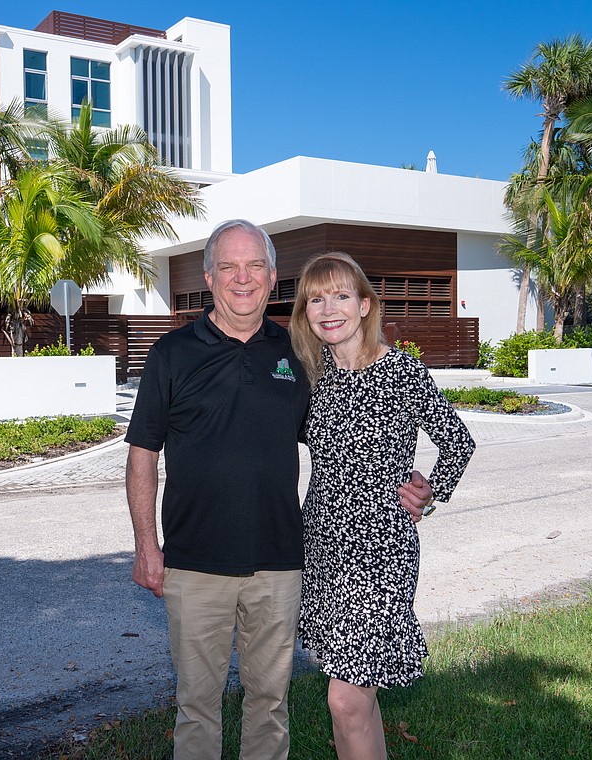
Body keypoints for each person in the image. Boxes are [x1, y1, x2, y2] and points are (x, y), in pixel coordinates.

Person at [125, 221, 435, 760]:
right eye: (228, 266)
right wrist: (147, 548)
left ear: (272, 277)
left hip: (280, 563)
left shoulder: (298, 353)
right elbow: (142, 455)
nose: (241, 278)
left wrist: (408, 479)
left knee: (270, 703)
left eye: (253, 267)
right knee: (197, 705)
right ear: (209, 276)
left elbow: (349, 433)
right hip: (195, 563)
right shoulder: (171, 353)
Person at [288, 252, 476, 760]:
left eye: (341, 295)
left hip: (381, 550)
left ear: (366, 305)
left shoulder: (402, 371)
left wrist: (428, 493)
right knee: (358, 696)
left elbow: (458, 442)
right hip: (323, 546)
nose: (329, 308)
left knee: (346, 699)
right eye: (316, 298)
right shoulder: (309, 376)